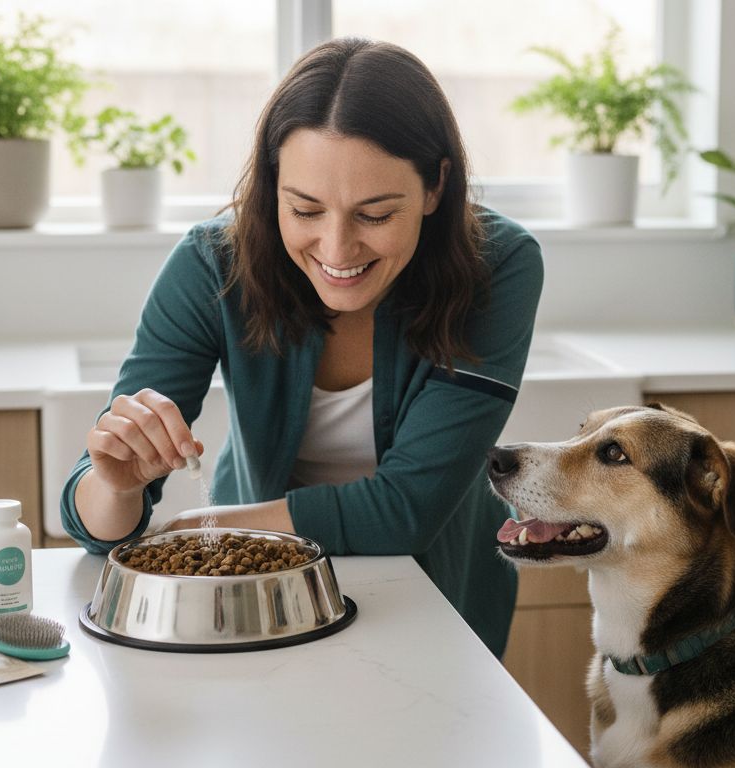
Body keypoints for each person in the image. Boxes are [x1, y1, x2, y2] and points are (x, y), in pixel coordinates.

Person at [61, 37, 543, 658]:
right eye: (305, 209)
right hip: (252, 588)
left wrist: (197, 529)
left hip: (431, 592)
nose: (338, 249)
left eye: (375, 214)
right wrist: (117, 488)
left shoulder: (497, 265)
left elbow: (407, 511)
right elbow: (99, 521)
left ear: (434, 187)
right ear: (273, 186)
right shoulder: (213, 266)